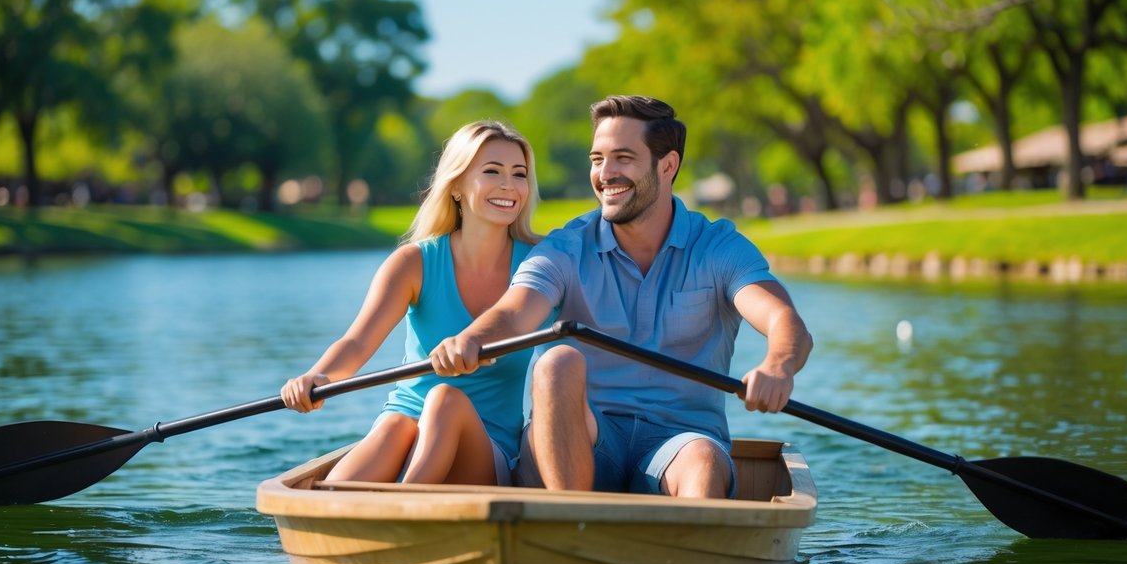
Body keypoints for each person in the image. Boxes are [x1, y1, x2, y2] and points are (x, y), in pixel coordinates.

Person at [430, 95, 812, 499]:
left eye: (623, 158)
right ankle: (570, 526)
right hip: (584, 439)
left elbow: (783, 320)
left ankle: (687, 547)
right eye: (597, 159)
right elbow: (513, 313)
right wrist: (472, 338)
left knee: (702, 461)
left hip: (680, 441)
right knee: (557, 361)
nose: (605, 174)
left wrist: (777, 367)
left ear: (667, 166)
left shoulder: (718, 247)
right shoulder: (565, 247)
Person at [280, 120, 541, 486]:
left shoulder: (541, 265)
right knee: (381, 441)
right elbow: (356, 342)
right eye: (492, 172)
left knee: (445, 400)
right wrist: (317, 377)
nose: (509, 186)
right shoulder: (413, 263)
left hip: (487, 448)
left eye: (520, 174)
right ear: (456, 185)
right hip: (404, 424)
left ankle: (399, 506)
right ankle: (368, 507)